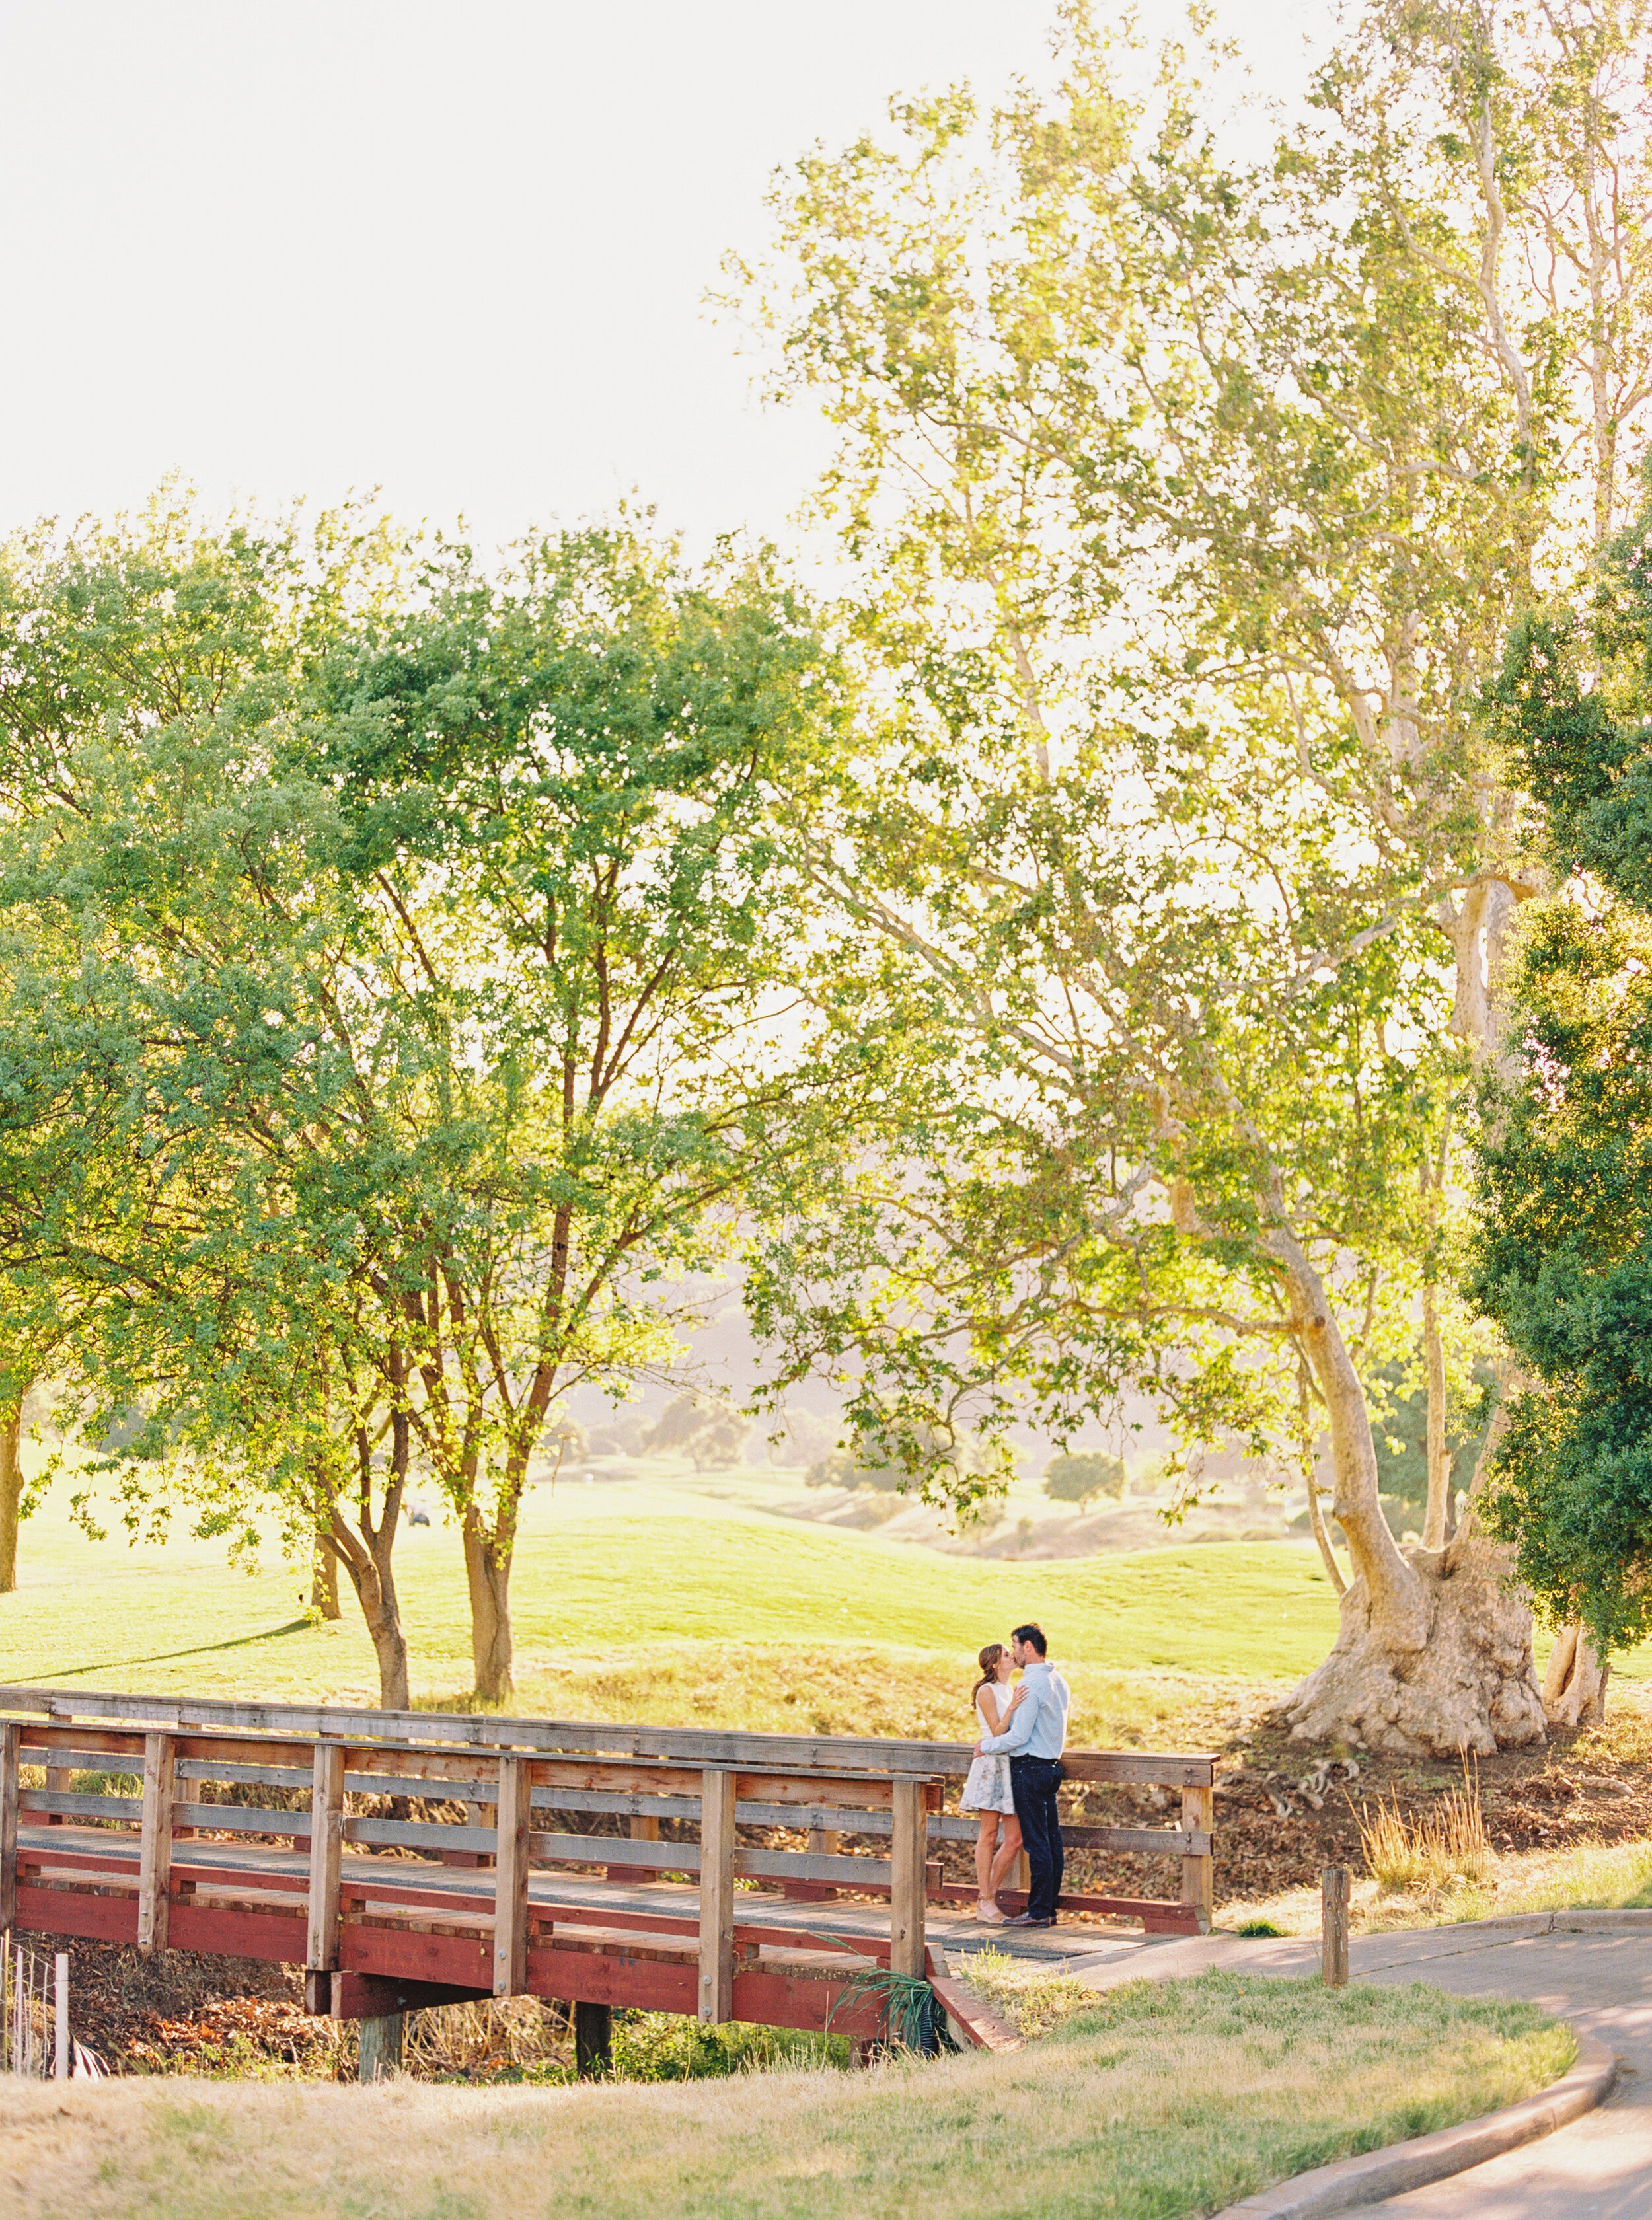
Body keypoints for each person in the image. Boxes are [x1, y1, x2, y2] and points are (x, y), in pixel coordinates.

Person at [973, 1621, 1070, 1928]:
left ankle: (1040, 1911)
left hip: (1030, 1768)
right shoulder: (1059, 1681)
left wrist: (987, 1745)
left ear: (1028, 1647)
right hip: (1051, 1766)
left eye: (1015, 1646)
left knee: (1037, 1843)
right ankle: (1049, 1908)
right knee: (1052, 1841)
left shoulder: (1032, 1685)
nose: (1014, 1653)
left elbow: (1018, 1737)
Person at [957, 1643, 1025, 1922]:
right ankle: (986, 1901)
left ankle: (986, 1898)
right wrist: (1012, 1707)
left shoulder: (1011, 1689)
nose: (1013, 1657)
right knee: (987, 1834)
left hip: (1010, 1765)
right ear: (996, 1664)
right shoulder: (987, 1691)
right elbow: (997, 1731)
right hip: (991, 1766)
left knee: (1015, 1839)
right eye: (1007, 1655)